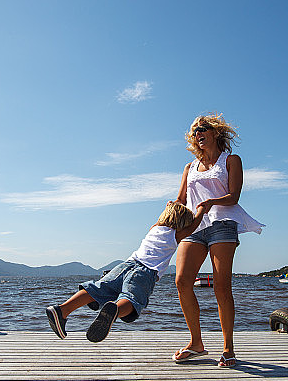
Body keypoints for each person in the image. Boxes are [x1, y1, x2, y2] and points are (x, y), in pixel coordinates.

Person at [173, 113, 264, 367]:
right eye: (194, 132)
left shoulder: (231, 160)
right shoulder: (189, 167)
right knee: (181, 281)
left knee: (221, 286)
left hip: (222, 224)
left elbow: (233, 196)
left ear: (215, 132)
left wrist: (212, 201)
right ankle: (196, 343)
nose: (197, 134)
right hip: (194, 225)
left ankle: (228, 348)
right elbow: (182, 199)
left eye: (202, 129)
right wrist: (173, 207)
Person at [46, 201, 206, 343]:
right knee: (132, 300)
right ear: (181, 223)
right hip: (145, 272)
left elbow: (161, 220)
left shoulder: (154, 228)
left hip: (126, 265)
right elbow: (193, 226)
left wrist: (169, 207)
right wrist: (202, 209)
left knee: (97, 289)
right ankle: (114, 311)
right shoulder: (176, 235)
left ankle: (62, 310)